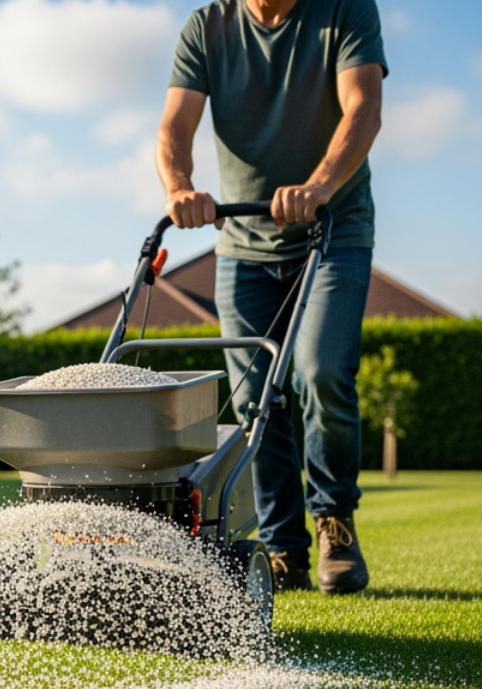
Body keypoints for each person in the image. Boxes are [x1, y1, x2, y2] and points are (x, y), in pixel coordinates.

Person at [157, 0, 386, 594]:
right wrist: (180, 189)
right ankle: (283, 548)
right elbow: (175, 126)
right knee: (256, 401)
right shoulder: (208, 28)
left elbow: (363, 107)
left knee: (321, 371)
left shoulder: (344, 10)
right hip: (242, 245)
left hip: (332, 230)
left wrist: (319, 185)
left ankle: (334, 519)